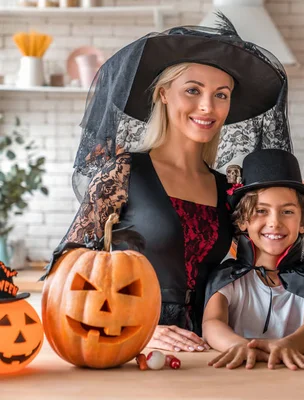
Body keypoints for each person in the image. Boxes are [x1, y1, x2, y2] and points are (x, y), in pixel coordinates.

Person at [46, 17, 291, 354]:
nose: (208, 106)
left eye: (221, 95)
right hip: (130, 342)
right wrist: (139, 327)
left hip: (209, 344)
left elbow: (252, 267)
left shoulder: (227, 187)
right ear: (163, 94)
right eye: (193, 90)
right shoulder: (124, 173)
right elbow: (67, 270)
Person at [203, 149, 304, 370]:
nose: (274, 223)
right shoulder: (228, 278)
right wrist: (238, 345)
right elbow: (212, 322)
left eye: (287, 212)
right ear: (243, 221)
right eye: (261, 211)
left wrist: (288, 344)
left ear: (302, 222)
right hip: (238, 379)